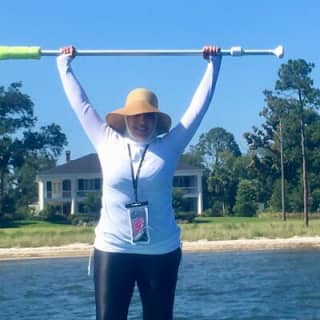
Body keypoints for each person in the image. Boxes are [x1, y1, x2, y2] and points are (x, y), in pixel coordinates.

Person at [56, 44, 222, 320]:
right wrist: (64, 65)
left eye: (148, 116)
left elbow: (198, 109)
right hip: (113, 247)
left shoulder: (170, 145)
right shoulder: (105, 140)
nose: (142, 121)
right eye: (136, 116)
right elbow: (81, 104)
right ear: (125, 118)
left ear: (156, 119)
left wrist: (213, 65)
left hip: (162, 250)